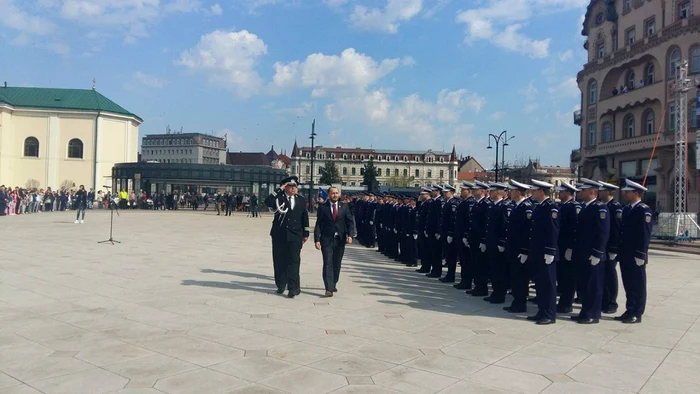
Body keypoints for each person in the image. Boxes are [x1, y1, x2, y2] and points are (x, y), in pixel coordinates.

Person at [571, 178, 610, 324]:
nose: (580, 192)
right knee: (584, 285)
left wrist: (597, 253)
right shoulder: (586, 207)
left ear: (592, 192)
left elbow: (602, 233)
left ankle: (593, 314)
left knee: (593, 285)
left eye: (583, 190)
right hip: (582, 253)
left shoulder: (600, 208)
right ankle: (585, 311)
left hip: (593, 254)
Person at [265, 176, 310, 298]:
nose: (294, 188)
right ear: (285, 187)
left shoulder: (300, 200)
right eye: (291, 186)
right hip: (280, 234)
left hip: (295, 235)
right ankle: (280, 284)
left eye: (295, 186)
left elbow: (304, 216)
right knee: (279, 260)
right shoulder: (279, 198)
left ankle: (294, 288)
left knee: (294, 261)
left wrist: (306, 232)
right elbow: (267, 201)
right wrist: (279, 190)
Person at [616, 179, 653, 324]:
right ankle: (629, 308)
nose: (625, 193)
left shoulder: (644, 210)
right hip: (626, 253)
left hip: (636, 254)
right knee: (628, 283)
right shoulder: (626, 209)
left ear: (636, 193)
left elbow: (644, 234)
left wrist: (641, 254)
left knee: (638, 284)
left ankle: (637, 312)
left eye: (628, 192)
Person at [526, 179, 560, 325]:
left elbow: (553, 230)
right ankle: (541, 311)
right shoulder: (540, 207)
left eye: (534, 190)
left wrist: (550, 251)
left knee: (548, 284)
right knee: (540, 283)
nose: (532, 193)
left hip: (547, 252)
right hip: (538, 251)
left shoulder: (551, 207)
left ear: (541, 191)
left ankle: (549, 314)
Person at [314, 186, 356, 297]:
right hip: (326, 240)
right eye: (332, 193)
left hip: (340, 240)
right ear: (328, 194)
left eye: (337, 193)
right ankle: (328, 288)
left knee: (336, 263)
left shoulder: (344, 207)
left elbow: (350, 223)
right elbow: (318, 224)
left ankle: (333, 282)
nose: (335, 195)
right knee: (327, 262)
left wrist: (350, 235)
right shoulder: (323, 207)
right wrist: (317, 239)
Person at [503, 180, 534, 314]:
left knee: (520, 277)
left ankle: (520, 304)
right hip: (514, 248)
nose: (509, 193)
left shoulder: (526, 208)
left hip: (520, 250)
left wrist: (525, 251)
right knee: (515, 276)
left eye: (512, 191)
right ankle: (517, 302)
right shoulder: (517, 206)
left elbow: (527, 231)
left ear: (518, 192)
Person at [555, 182, 582, 314]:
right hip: (561, 246)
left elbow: (575, 229)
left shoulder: (573, 207)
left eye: (561, 192)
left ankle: (567, 303)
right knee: (562, 276)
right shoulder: (563, 206)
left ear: (567, 193)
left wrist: (570, 247)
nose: (559, 194)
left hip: (568, 247)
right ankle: (563, 302)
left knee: (569, 277)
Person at [598, 181, 623, 314]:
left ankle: (612, 302)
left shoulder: (615, 207)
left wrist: (613, 249)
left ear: (607, 192)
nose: (598, 193)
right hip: (603, 248)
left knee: (610, 274)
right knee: (603, 275)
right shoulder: (603, 206)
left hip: (610, 248)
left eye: (601, 191)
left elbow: (616, 230)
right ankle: (604, 300)